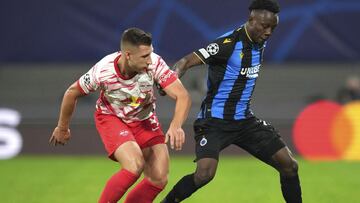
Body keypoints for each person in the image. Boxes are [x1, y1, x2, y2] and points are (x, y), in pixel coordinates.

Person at [160, 0, 302, 202]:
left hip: (245, 121)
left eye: (273, 27)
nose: (269, 32)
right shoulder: (226, 45)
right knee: (204, 175)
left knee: (289, 165)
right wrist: (169, 82)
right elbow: (185, 62)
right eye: (264, 26)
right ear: (251, 20)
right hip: (214, 122)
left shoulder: (260, 40)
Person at [49, 27, 191, 203]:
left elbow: (182, 95)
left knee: (159, 177)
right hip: (112, 118)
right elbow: (72, 92)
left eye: (151, 53)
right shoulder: (103, 70)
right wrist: (62, 127)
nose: (149, 60)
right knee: (134, 165)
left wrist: (176, 125)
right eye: (144, 56)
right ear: (128, 55)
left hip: (144, 119)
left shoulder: (154, 63)